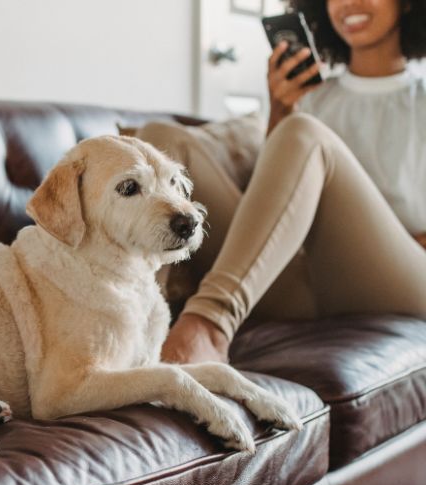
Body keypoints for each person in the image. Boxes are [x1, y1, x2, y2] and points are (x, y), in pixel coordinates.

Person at [150, 0, 426, 364]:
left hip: (398, 281)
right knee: (162, 141)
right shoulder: (309, 99)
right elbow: (270, 211)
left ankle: (209, 324)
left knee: (304, 133)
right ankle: (141, 315)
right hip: (299, 281)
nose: (350, 4)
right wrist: (280, 111)